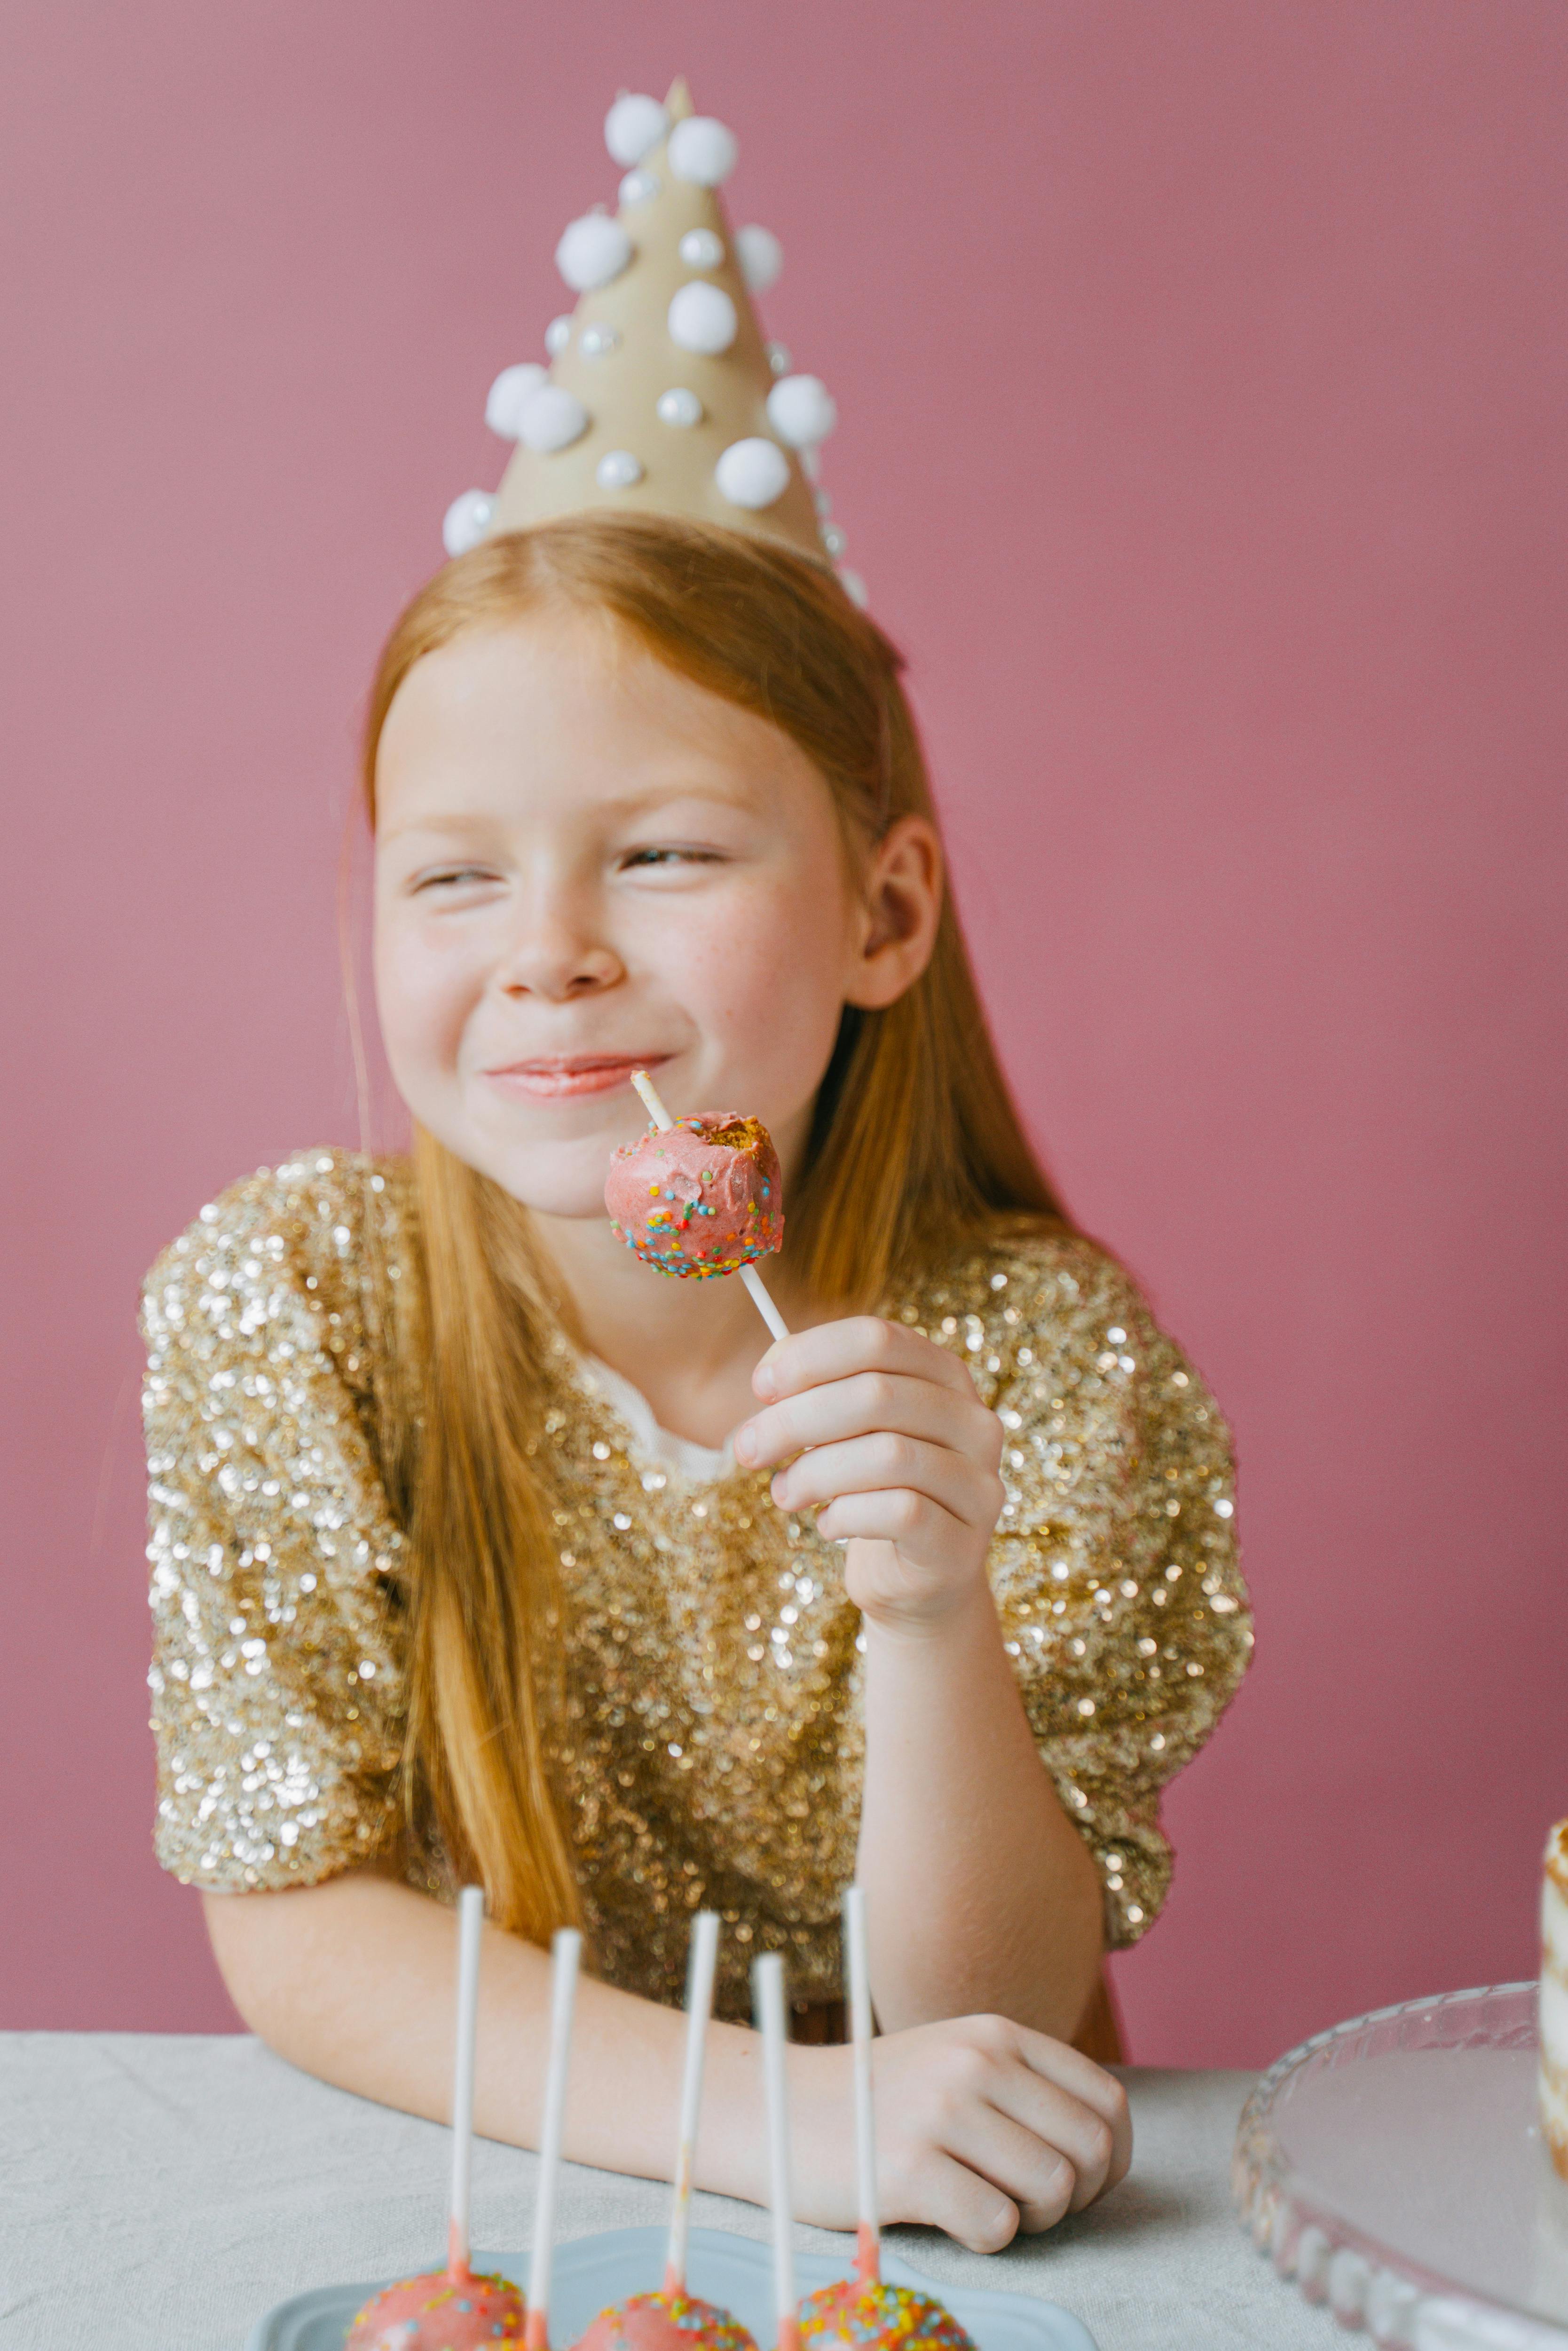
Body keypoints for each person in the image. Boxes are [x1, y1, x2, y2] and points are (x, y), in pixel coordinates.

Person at [139, 87, 1252, 2257]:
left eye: (658, 853)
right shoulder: (291, 1294)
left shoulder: (1037, 1346)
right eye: (453, 875)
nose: (549, 946)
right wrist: (788, 2121)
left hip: (930, 2251)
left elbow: (997, 2014)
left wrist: (935, 1614)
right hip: (480, 2218)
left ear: (884, 912)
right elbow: (295, 1919)